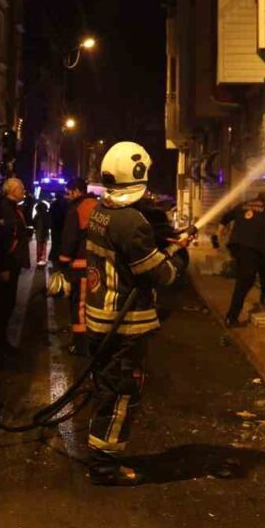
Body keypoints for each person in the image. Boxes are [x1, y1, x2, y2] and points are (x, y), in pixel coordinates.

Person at [81, 142, 191, 486]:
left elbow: (127, 252)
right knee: (122, 394)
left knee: (106, 391)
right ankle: (104, 466)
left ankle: (100, 453)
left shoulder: (102, 212)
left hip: (100, 319)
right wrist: (178, 252)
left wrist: (165, 241)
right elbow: (163, 275)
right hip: (124, 326)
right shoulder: (131, 223)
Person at [220, 190, 265, 327]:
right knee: (245, 282)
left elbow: (226, 217)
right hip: (253, 248)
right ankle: (231, 317)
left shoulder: (243, 205)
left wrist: (221, 230)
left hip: (239, 247)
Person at [0, 177, 30, 352]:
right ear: (12, 190)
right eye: (21, 188)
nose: (24, 191)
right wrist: (3, 266)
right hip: (7, 264)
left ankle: (0, 342)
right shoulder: (4, 208)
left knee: (7, 303)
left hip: (11, 264)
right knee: (3, 304)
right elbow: (1, 239)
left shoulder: (9, 207)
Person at [55, 178, 99, 355]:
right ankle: (93, 342)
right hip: (98, 266)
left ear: (77, 191)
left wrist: (63, 261)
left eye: (69, 191)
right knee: (93, 306)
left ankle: (81, 345)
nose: (68, 195)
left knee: (79, 307)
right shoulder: (98, 206)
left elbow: (69, 239)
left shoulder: (77, 209)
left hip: (80, 267)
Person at [33, 192, 52, 267]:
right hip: (45, 233)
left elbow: (33, 223)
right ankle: (42, 260)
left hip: (38, 233)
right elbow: (49, 224)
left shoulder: (37, 215)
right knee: (44, 246)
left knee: (39, 246)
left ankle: (38, 259)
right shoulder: (47, 215)